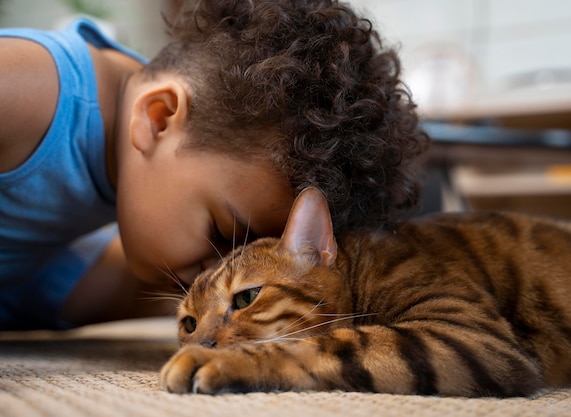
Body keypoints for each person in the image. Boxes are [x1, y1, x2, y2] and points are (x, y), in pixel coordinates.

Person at [0, 0, 429, 330]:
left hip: (40, 273)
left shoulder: (154, 164)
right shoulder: (32, 88)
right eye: (223, 234)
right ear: (159, 118)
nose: (223, 266)